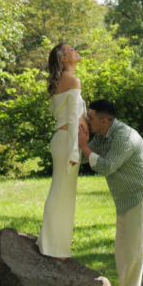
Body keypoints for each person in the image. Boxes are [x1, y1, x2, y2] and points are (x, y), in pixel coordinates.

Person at [78, 99, 143, 286]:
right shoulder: (103, 135)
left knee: (134, 253)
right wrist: (80, 141)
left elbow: (106, 167)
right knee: (122, 253)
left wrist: (84, 146)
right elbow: (83, 158)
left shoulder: (123, 136)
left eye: (90, 118)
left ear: (104, 121)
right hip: (126, 200)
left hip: (141, 198)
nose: (87, 121)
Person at [36, 42, 89, 259]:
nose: (76, 51)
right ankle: (52, 247)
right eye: (71, 50)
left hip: (63, 139)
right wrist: (75, 151)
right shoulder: (73, 81)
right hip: (67, 141)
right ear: (64, 59)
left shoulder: (62, 81)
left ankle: (54, 245)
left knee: (63, 194)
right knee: (61, 193)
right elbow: (74, 118)